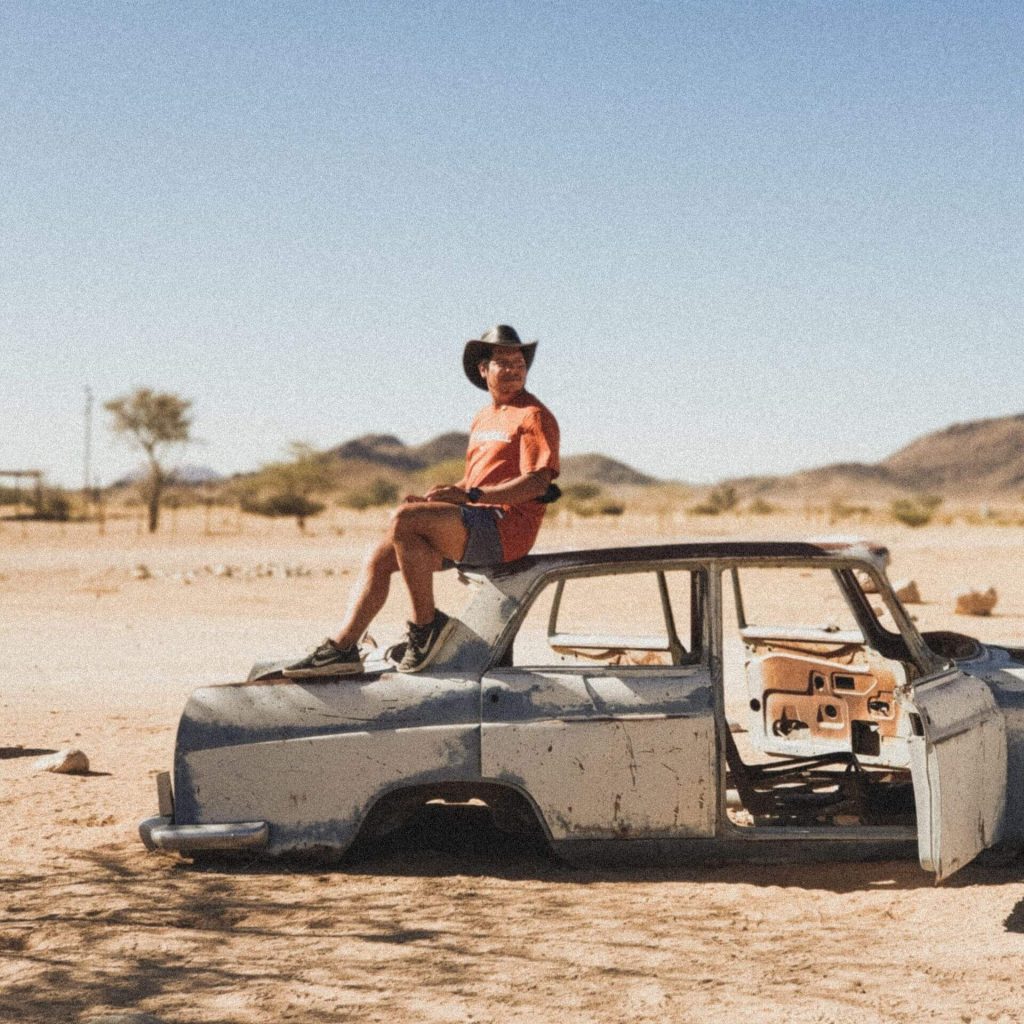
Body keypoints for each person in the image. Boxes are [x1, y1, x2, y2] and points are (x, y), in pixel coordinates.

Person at [284, 324, 560, 677]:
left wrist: (472, 496)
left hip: (506, 530)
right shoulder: (484, 417)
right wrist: (445, 495)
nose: (514, 369)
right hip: (474, 521)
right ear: (483, 369)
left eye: (519, 362)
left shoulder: (533, 416)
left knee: (405, 520)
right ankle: (342, 647)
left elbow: (538, 483)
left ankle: (425, 628)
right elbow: (476, 481)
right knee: (381, 555)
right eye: (503, 362)